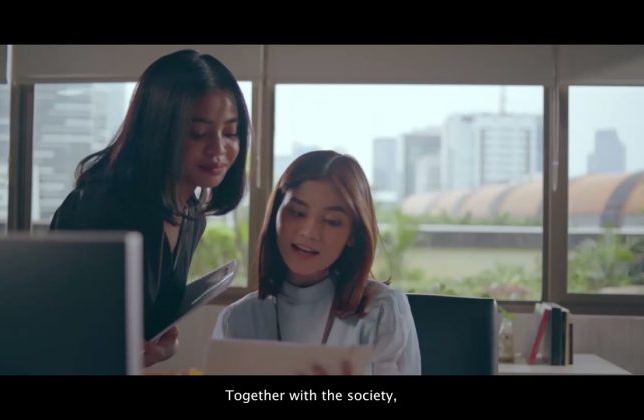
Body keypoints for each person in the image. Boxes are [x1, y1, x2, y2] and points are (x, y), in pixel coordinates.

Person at [50, 49, 250, 368]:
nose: (218, 148)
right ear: (159, 130)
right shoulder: (103, 208)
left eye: (230, 132)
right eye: (198, 133)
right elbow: (65, 336)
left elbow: (140, 331)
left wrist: (161, 347)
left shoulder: (191, 216)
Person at [213, 150, 421, 375]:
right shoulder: (237, 319)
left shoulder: (382, 310)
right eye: (298, 213)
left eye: (331, 221)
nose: (310, 232)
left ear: (353, 234)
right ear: (276, 215)